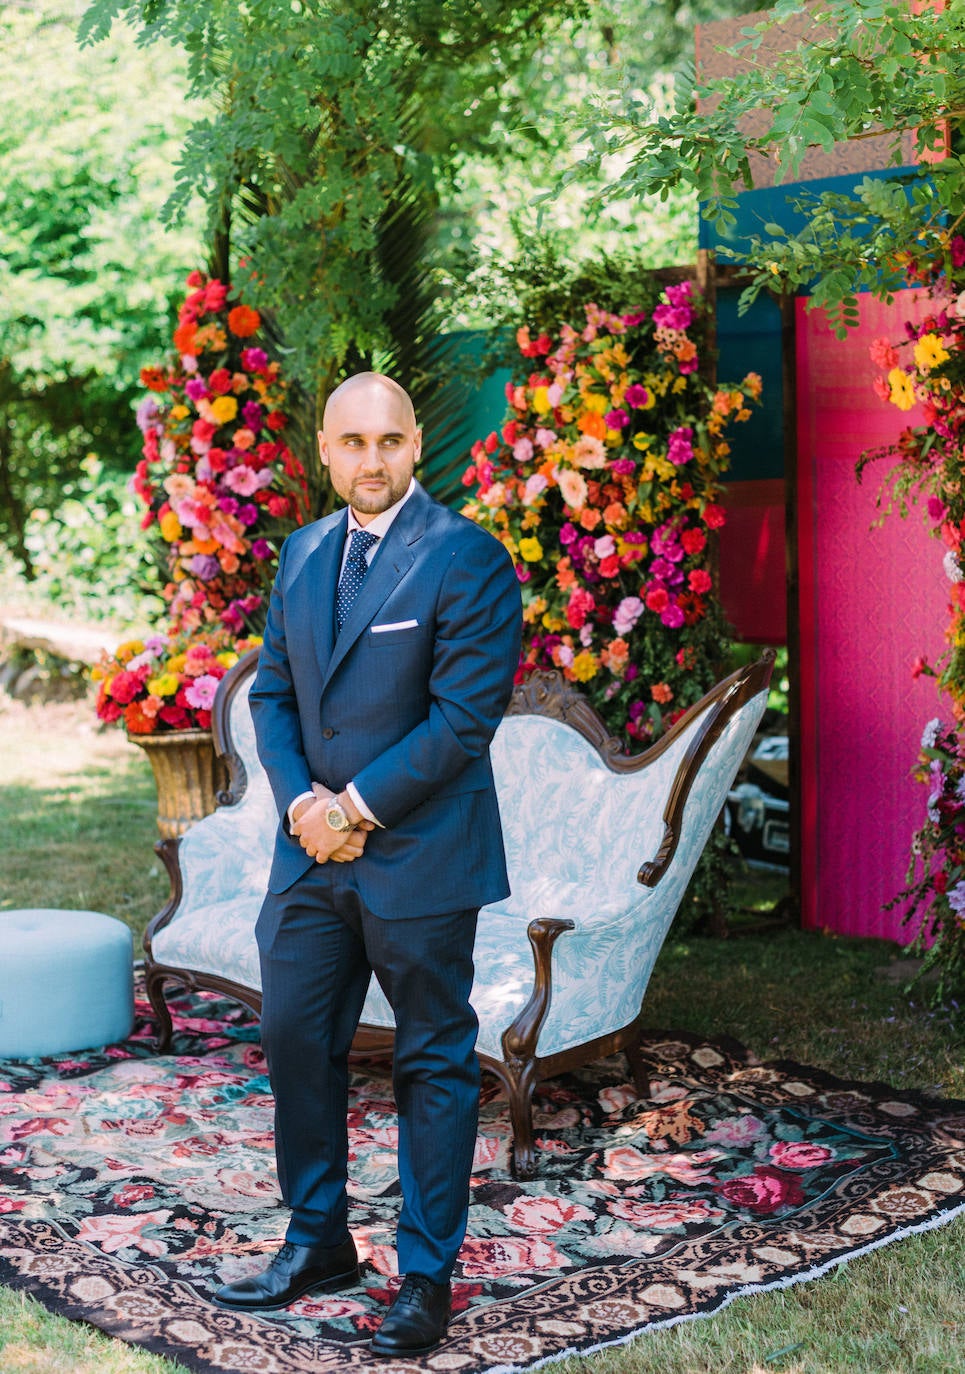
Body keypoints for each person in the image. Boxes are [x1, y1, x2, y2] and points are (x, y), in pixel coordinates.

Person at [213, 372, 522, 1356]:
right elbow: (273, 694)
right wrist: (304, 802)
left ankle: (423, 1277)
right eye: (352, 442)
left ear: (415, 441)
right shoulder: (300, 554)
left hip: (421, 855)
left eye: (388, 440)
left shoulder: (466, 560)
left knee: (433, 1059)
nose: (372, 459)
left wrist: (354, 807)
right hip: (310, 857)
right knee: (295, 1038)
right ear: (324, 449)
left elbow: (461, 721)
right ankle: (317, 1240)